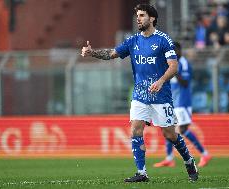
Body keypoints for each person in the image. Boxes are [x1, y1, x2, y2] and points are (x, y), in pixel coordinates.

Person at [81, 4, 198, 183]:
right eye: (137, 15)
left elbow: (173, 67)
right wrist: (92, 53)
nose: (138, 18)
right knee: (136, 129)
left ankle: (189, 161)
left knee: (169, 134)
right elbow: (112, 53)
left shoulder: (163, 40)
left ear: (152, 18)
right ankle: (142, 172)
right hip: (140, 95)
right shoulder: (133, 40)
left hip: (161, 96)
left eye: (142, 15)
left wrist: (160, 81)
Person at [153, 42, 212, 168]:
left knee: (182, 129)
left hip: (182, 102)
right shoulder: (170, 63)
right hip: (173, 101)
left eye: (174, 51)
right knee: (169, 128)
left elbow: (185, 83)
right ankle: (169, 158)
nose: (172, 53)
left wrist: (174, 72)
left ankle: (204, 154)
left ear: (179, 50)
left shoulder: (183, 63)